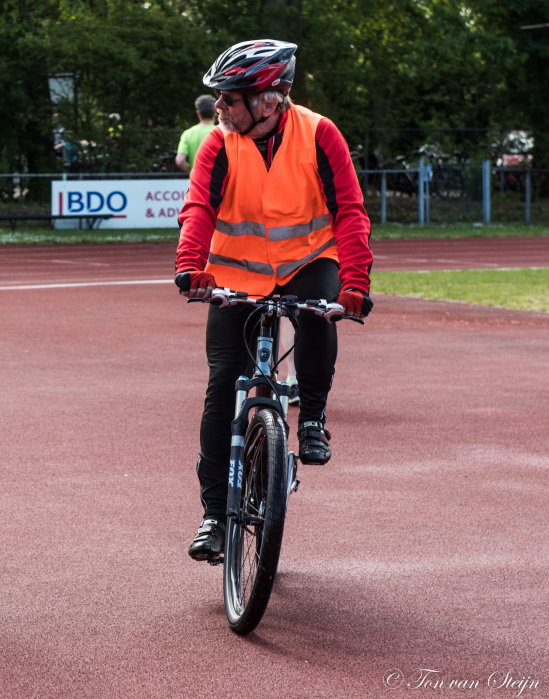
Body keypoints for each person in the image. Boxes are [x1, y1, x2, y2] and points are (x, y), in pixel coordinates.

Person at [175, 40, 373, 561]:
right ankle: (215, 516)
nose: (219, 107)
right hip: (236, 271)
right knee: (222, 387)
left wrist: (354, 284)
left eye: (229, 98)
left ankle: (310, 418)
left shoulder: (319, 133)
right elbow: (198, 207)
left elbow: (349, 210)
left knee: (319, 315)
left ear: (268, 99)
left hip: (309, 261)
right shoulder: (219, 144)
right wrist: (191, 267)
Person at [175, 95, 217, 172]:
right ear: (215, 112)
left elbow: (180, 160)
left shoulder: (188, 133)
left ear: (198, 114)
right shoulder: (222, 133)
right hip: (218, 181)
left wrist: (192, 170)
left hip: (196, 181)